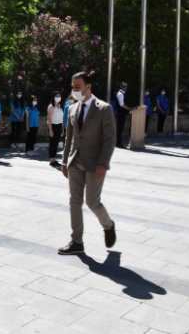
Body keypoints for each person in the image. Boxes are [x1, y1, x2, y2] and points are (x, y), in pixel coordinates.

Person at [59, 71, 116, 255]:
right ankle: (77, 242)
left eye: (77, 87)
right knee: (74, 201)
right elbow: (69, 137)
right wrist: (64, 161)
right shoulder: (72, 108)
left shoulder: (104, 109)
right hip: (75, 161)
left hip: (95, 163)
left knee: (92, 202)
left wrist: (103, 163)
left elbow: (110, 139)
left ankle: (108, 225)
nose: (73, 90)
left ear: (88, 87)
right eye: (72, 87)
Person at [47, 91, 64, 167]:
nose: (58, 97)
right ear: (53, 97)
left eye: (59, 96)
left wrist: (62, 129)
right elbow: (49, 119)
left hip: (59, 126)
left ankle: (54, 159)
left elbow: (62, 119)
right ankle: (51, 160)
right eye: (56, 96)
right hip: (53, 126)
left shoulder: (60, 106)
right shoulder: (51, 106)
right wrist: (50, 130)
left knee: (56, 143)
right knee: (52, 143)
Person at [115, 82, 131, 148]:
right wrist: (130, 109)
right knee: (119, 128)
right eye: (124, 86)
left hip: (122, 113)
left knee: (120, 128)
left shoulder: (123, 93)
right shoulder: (120, 94)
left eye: (126, 86)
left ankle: (118, 142)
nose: (125, 88)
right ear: (121, 86)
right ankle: (118, 143)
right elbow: (122, 105)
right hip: (120, 113)